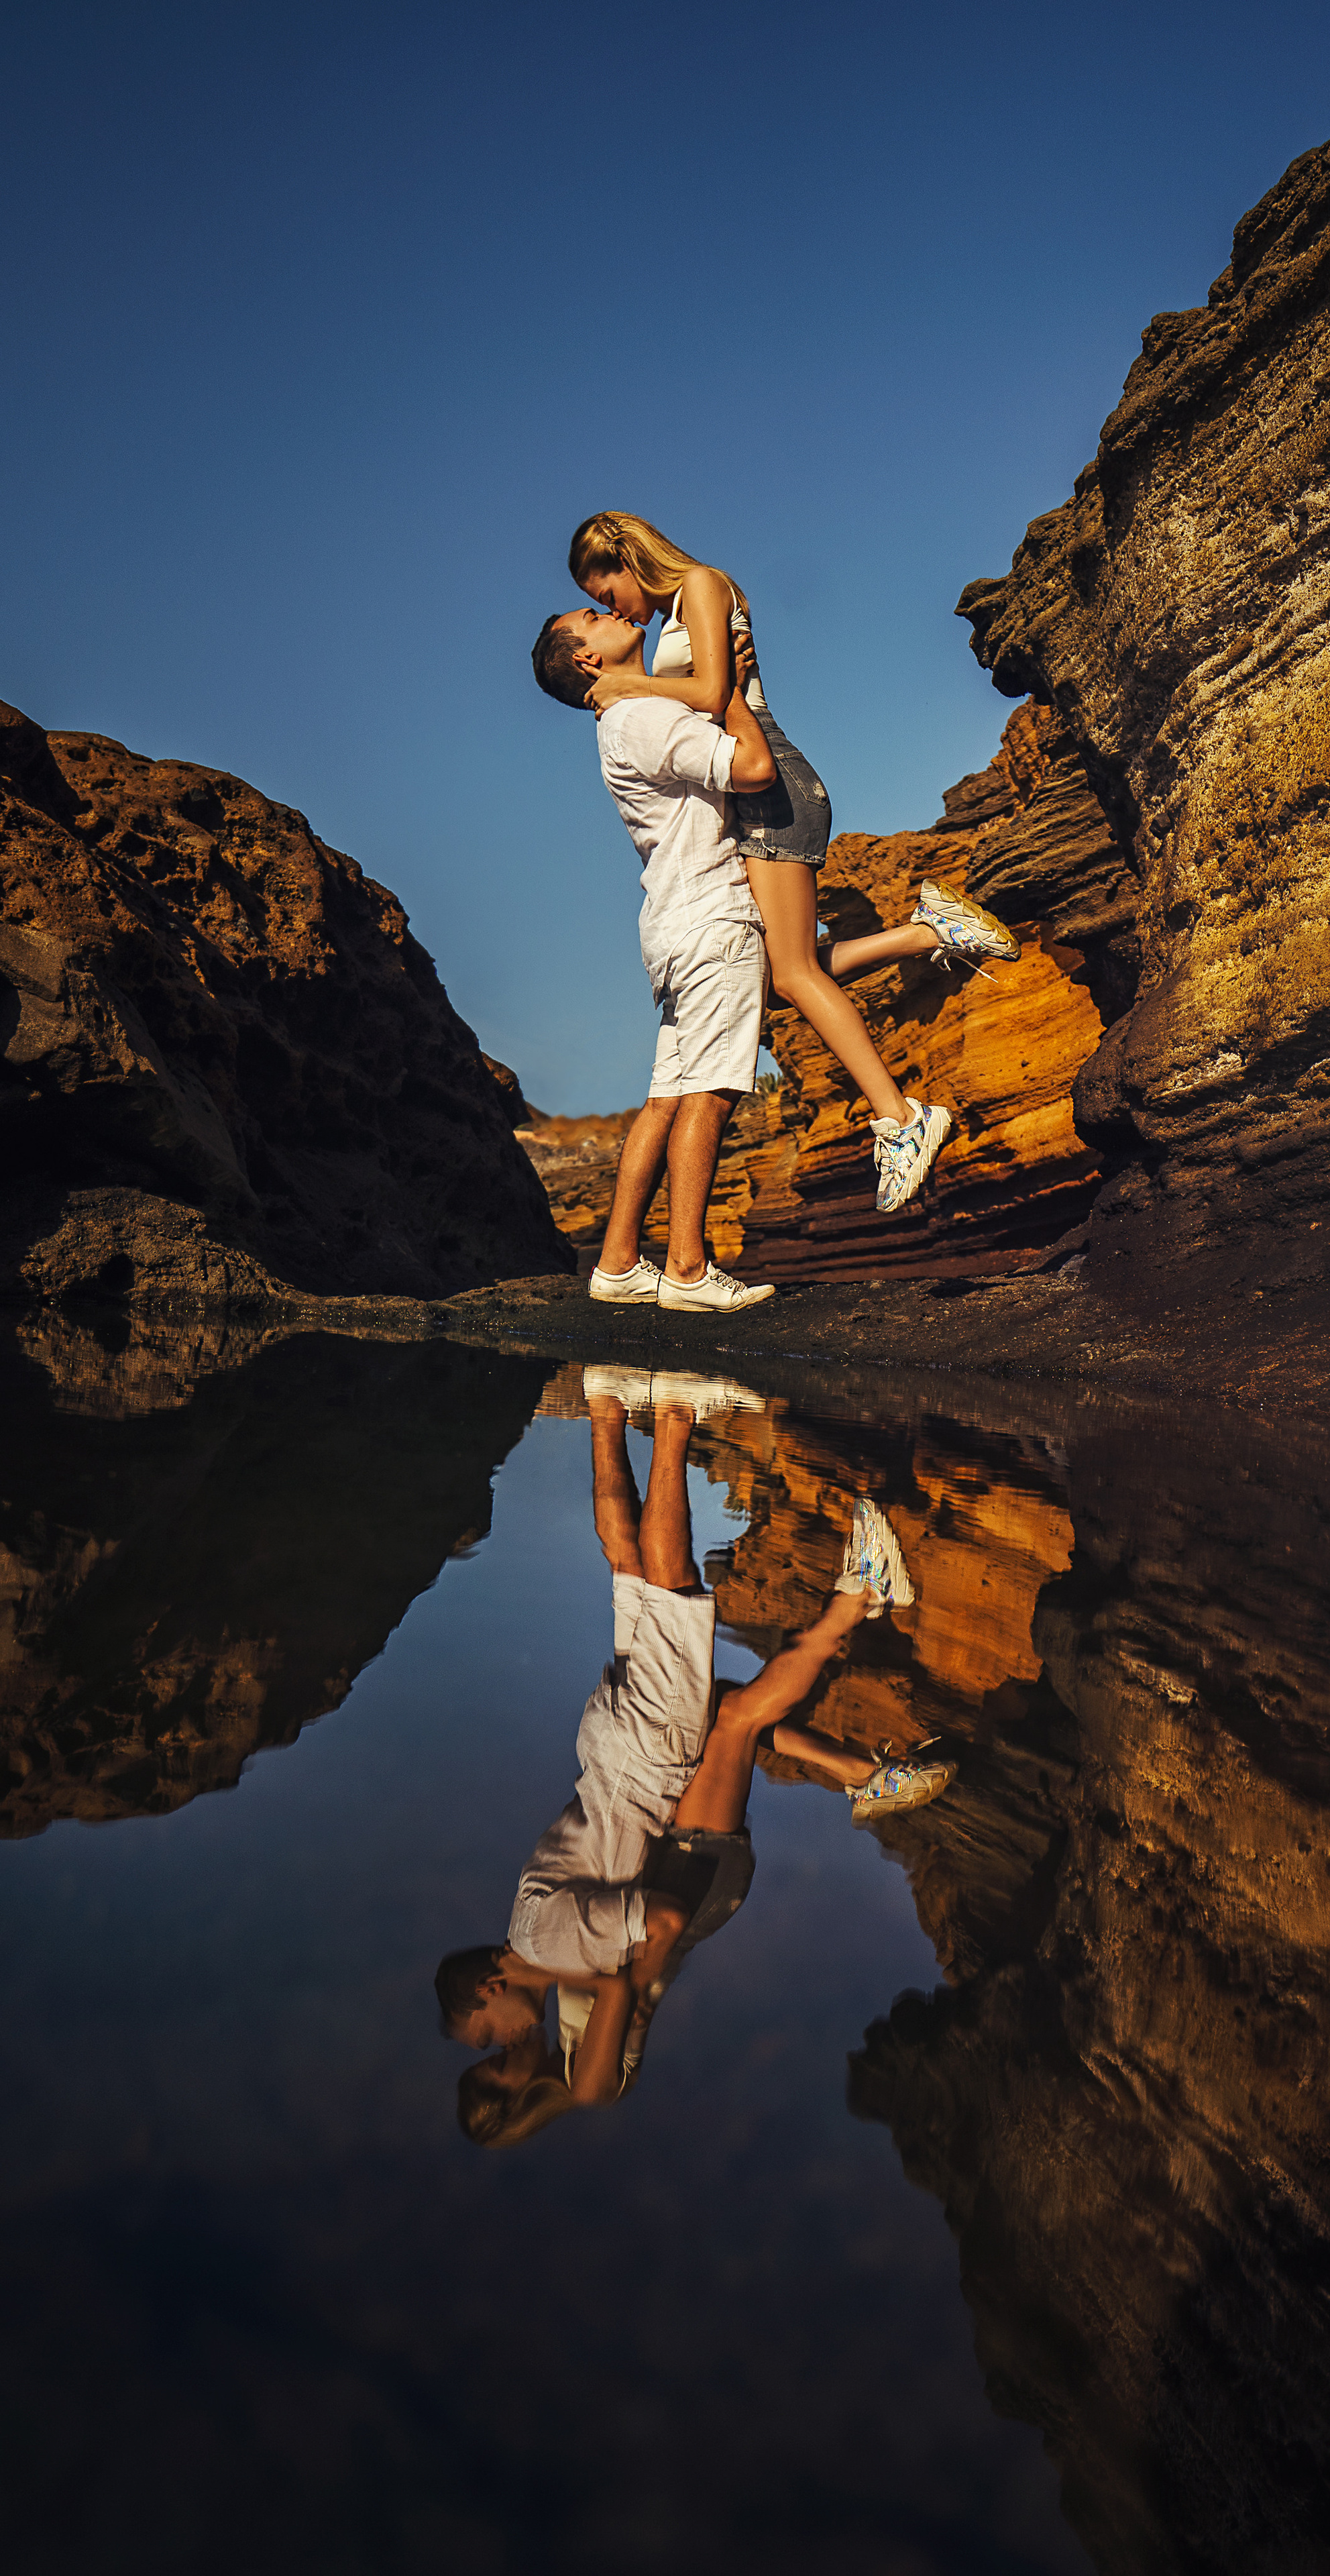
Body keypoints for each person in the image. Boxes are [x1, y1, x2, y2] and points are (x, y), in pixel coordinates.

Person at [436, 1367, 955, 2147]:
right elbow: (646, 1952)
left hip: (644, 1767)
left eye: (486, 2036)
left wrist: (594, 1977)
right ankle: (618, 1406)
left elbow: (636, 1955)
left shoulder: (549, 1952)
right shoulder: (545, 1960)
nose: (503, 2041)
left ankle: (668, 1415)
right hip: (626, 1765)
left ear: (488, 1985)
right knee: (651, 1591)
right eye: (490, 2056)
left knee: (674, 1602)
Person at [565, 508, 1021, 1216]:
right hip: (758, 795)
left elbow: (711, 695)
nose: (614, 609)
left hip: (773, 782)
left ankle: (901, 1117)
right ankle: (930, 932)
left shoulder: (701, 586)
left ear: (627, 560)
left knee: (793, 975)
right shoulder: (677, 612)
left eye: (606, 593)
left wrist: (629, 687)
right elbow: (703, 703)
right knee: (780, 978)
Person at [531, 602, 779, 1311]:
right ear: (587, 659)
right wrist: (732, 691)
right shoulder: (643, 717)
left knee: (667, 1099)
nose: (613, 609)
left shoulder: (624, 719)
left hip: (673, 922)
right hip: (711, 916)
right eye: (593, 615)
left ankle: (616, 1264)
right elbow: (754, 768)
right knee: (711, 1092)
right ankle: (688, 1270)